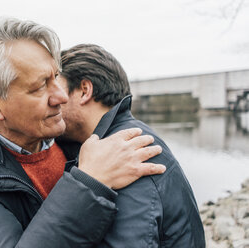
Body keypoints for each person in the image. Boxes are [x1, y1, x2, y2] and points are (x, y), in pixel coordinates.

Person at [0, 17, 166, 248]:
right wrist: (90, 182)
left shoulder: (72, 136)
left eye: (55, 77)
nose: (62, 97)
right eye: (40, 86)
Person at [58, 44, 206, 247]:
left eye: (57, 88)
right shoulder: (117, 139)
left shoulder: (127, 150)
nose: (52, 99)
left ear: (84, 90)